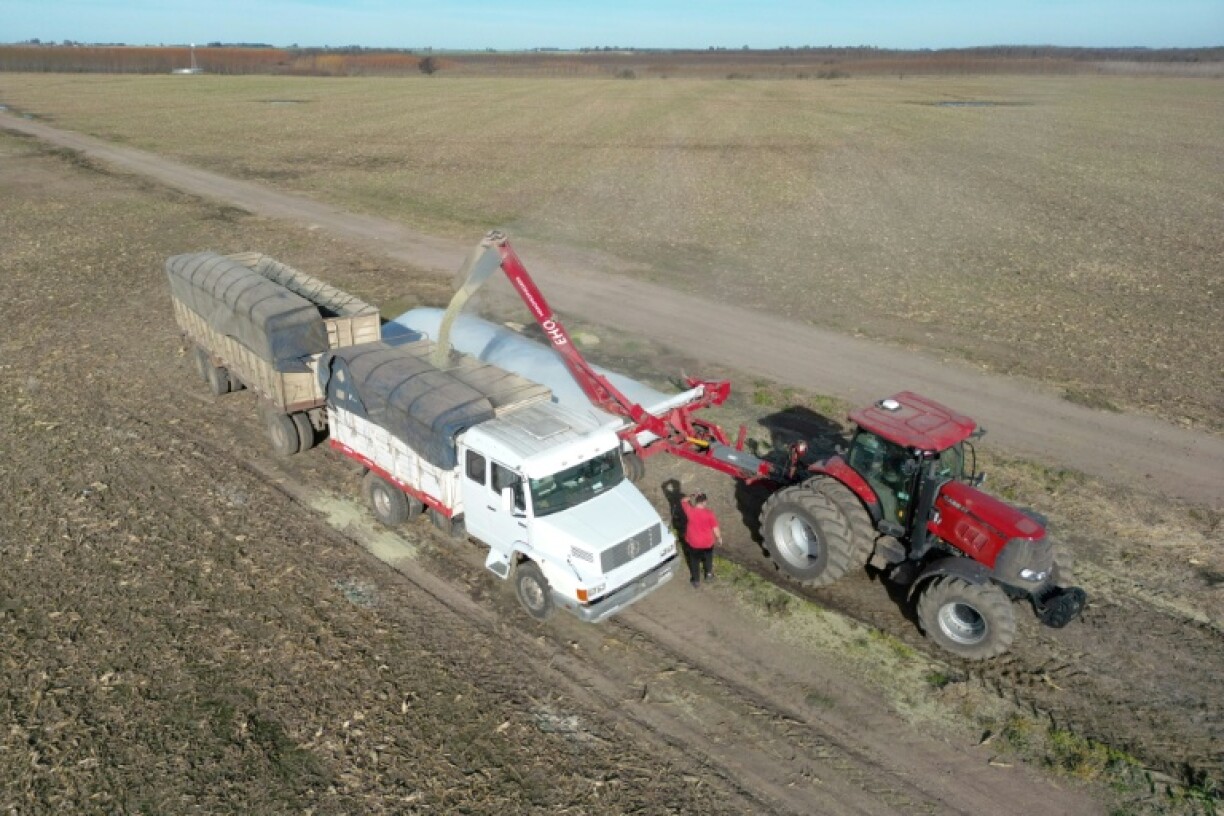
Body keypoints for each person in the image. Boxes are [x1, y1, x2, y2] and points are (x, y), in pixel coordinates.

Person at [680, 492, 721, 588]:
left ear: (696, 501)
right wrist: (719, 538)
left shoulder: (690, 511)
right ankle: (708, 575)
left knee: (694, 562)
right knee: (708, 559)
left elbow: (683, 500)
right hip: (707, 543)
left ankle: (696, 580)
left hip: (694, 543)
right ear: (704, 502)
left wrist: (692, 495)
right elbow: (715, 528)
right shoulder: (709, 514)